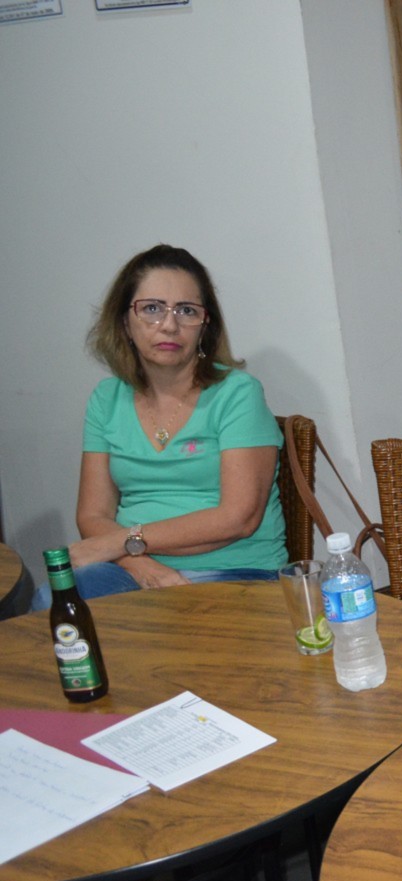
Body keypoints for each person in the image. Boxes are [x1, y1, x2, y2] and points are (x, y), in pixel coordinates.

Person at [33, 244, 286, 610]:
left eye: (186, 310)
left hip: (235, 571)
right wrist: (141, 564)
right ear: (125, 322)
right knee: (52, 603)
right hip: (131, 571)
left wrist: (121, 542)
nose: (169, 325)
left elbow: (239, 518)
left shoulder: (237, 393)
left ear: (205, 325)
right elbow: (92, 515)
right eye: (152, 308)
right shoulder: (106, 398)